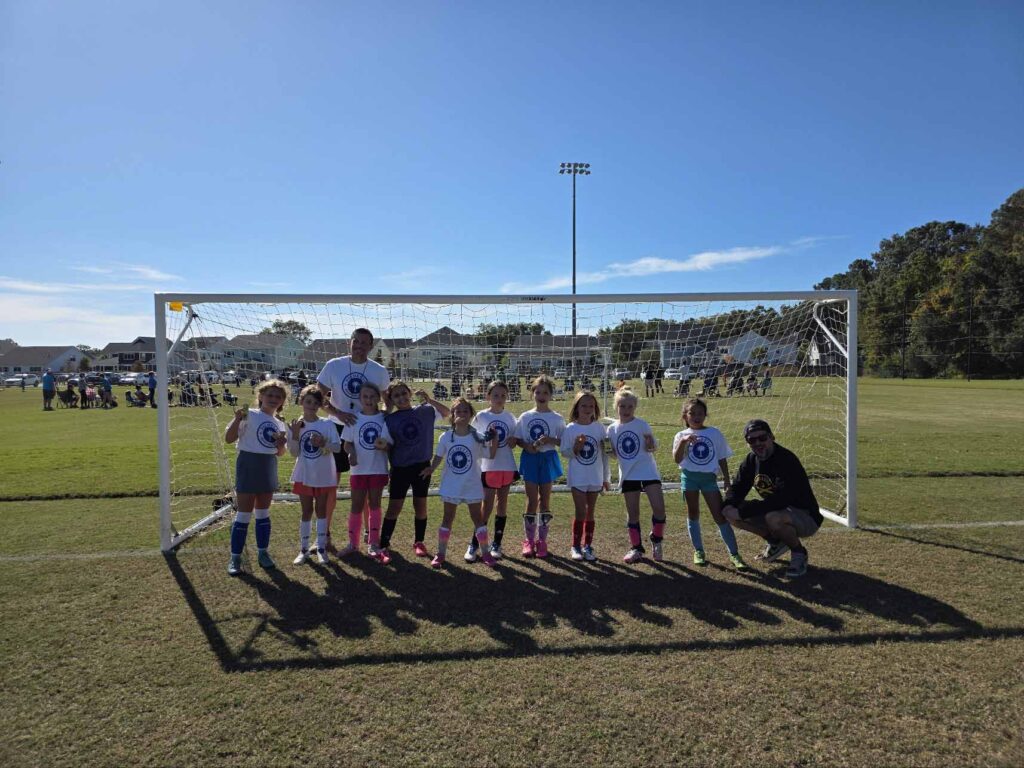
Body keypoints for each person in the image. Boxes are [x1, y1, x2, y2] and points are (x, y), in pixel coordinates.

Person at [316, 328, 391, 551]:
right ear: (349, 343)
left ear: (371, 346)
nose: (359, 345)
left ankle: (370, 535)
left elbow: (388, 401)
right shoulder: (334, 365)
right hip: (338, 429)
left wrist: (383, 417)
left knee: (368, 487)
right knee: (330, 485)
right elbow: (317, 394)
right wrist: (338, 413)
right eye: (355, 341)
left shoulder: (379, 371)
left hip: (367, 433)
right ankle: (324, 535)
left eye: (364, 342)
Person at [722, 419, 822, 578]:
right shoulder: (751, 460)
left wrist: (744, 511)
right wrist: (728, 505)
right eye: (752, 440)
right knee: (730, 511)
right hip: (778, 511)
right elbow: (738, 488)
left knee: (773, 517)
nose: (758, 443)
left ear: (772, 437)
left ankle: (799, 553)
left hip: (805, 516)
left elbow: (782, 499)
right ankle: (775, 542)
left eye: (762, 438)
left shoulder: (786, 460)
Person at [379, 381, 451, 563]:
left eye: (404, 393)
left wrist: (430, 400)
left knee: (420, 506)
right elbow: (387, 444)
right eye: (396, 396)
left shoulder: (425, 411)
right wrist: (383, 447)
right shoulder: (389, 420)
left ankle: (419, 542)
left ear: (410, 393)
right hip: (400, 469)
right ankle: (383, 544)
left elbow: (447, 413)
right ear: (392, 400)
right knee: (394, 508)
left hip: (422, 467)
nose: (401, 397)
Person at [224, 379, 289, 576]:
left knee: (263, 513)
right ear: (260, 396)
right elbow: (229, 439)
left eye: (278, 397)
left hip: (268, 467)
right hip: (248, 465)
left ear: (282, 401)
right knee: (243, 514)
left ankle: (263, 553)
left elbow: (280, 453)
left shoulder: (279, 423)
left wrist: (281, 444)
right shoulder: (249, 415)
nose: (273, 399)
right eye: (269, 395)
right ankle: (235, 557)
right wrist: (237, 420)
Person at [672, 398, 747, 570]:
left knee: (719, 516)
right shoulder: (680, 435)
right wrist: (684, 442)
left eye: (700, 413)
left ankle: (734, 554)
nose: (696, 416)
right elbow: (677, 459)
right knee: (693, 513)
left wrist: (727, 480)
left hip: (709, 481)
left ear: (705, 415)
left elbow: (721, 458)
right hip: (689, 479)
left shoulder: (714, 433)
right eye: (692, 413)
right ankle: (698, 551)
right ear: (685, 416)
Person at [423, 397, 497, 568]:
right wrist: (431, 469)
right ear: (453, 414)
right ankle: (440, 554)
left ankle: (485, 553)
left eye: (465, 411)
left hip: (471, 485)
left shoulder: (478, 437)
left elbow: (491, 455)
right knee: (447, 518)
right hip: (451, 485)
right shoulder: (446, 436)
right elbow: (439, 457)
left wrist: (495, 439)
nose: (462, 414)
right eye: (458, 411)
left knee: (478, 519)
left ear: (471, 414)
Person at [606, 387, 667, 563]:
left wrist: (650, 444)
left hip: (648, 472)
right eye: (622, 406)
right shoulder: (611, 429)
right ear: (616, 407)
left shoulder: (642, 424)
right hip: (628, 475)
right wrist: (608, 449)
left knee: (659, 509)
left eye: (630, 406)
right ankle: (636, 548)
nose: (626, 410)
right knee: (633, 514)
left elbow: (652, 447)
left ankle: (656, 539)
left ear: (635, 407)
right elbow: (613, 455)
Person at [465, 380, 519, 562]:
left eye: (503, 395)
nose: (499, 398)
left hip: (507, 466)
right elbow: (472, 437)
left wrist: (513, 441)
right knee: (486, 506)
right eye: (495, 395)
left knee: (502, 505)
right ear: (488, 396)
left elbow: (514, 440)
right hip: (489, 467)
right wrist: (486, 439)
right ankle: (474, 543)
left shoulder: (511, 418)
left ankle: (497, 543)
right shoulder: (481, 416)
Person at [287, 385, 341, 566]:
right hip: (304, 474)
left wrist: (323, 443)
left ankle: (321, 548)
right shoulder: (296, 425)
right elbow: (294, 453)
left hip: (324, 474)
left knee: (321, 510)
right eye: (308, 401)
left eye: (316, 403)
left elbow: (337, 447)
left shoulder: (327, 424)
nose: (311, 405)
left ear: (320, 405)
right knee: (306, 511)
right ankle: (303, 550)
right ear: (301, 402)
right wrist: (294, 435)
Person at [339, 382, 392, 558]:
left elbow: (390, 444)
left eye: (372, 396)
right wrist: (351, 453)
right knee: (356, 506)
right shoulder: (353, 419)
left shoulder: (385, 419)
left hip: (378, 469)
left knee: (375, 505)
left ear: (378, 398)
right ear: (360, 399)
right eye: (365, 397)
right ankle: (353, 544)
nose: (368, 400)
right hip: (358, 470)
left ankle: (374, 543)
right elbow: (347, 444)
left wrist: (385, 447)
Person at [515, 375, 565, 558]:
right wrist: (527, 446)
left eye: (545, 392)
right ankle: (528, 541)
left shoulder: (557, 418)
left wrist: (550, 440)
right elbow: (518, 438)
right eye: (538, 392)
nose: (541, 395)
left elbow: (564, 441)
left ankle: (542, 541)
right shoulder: (526, 417)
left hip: (548, 459)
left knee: (545, 499)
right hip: (530, 458)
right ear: (532, 394)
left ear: (551, 395)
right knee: (531, 499)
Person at [560, 391, 610, 561]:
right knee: (581, 511)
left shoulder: (599, 428)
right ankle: (575, 546)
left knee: (591, 513)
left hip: (595, 477)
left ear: (595, 408)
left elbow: (604, 455)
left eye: (591, 406)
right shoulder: (571, 428)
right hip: (578, 477)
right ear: (577, 407)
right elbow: (565, 453)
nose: (587, 409)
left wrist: (606, 478)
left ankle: (588, 546)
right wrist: (576, 448)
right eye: (584, 405)